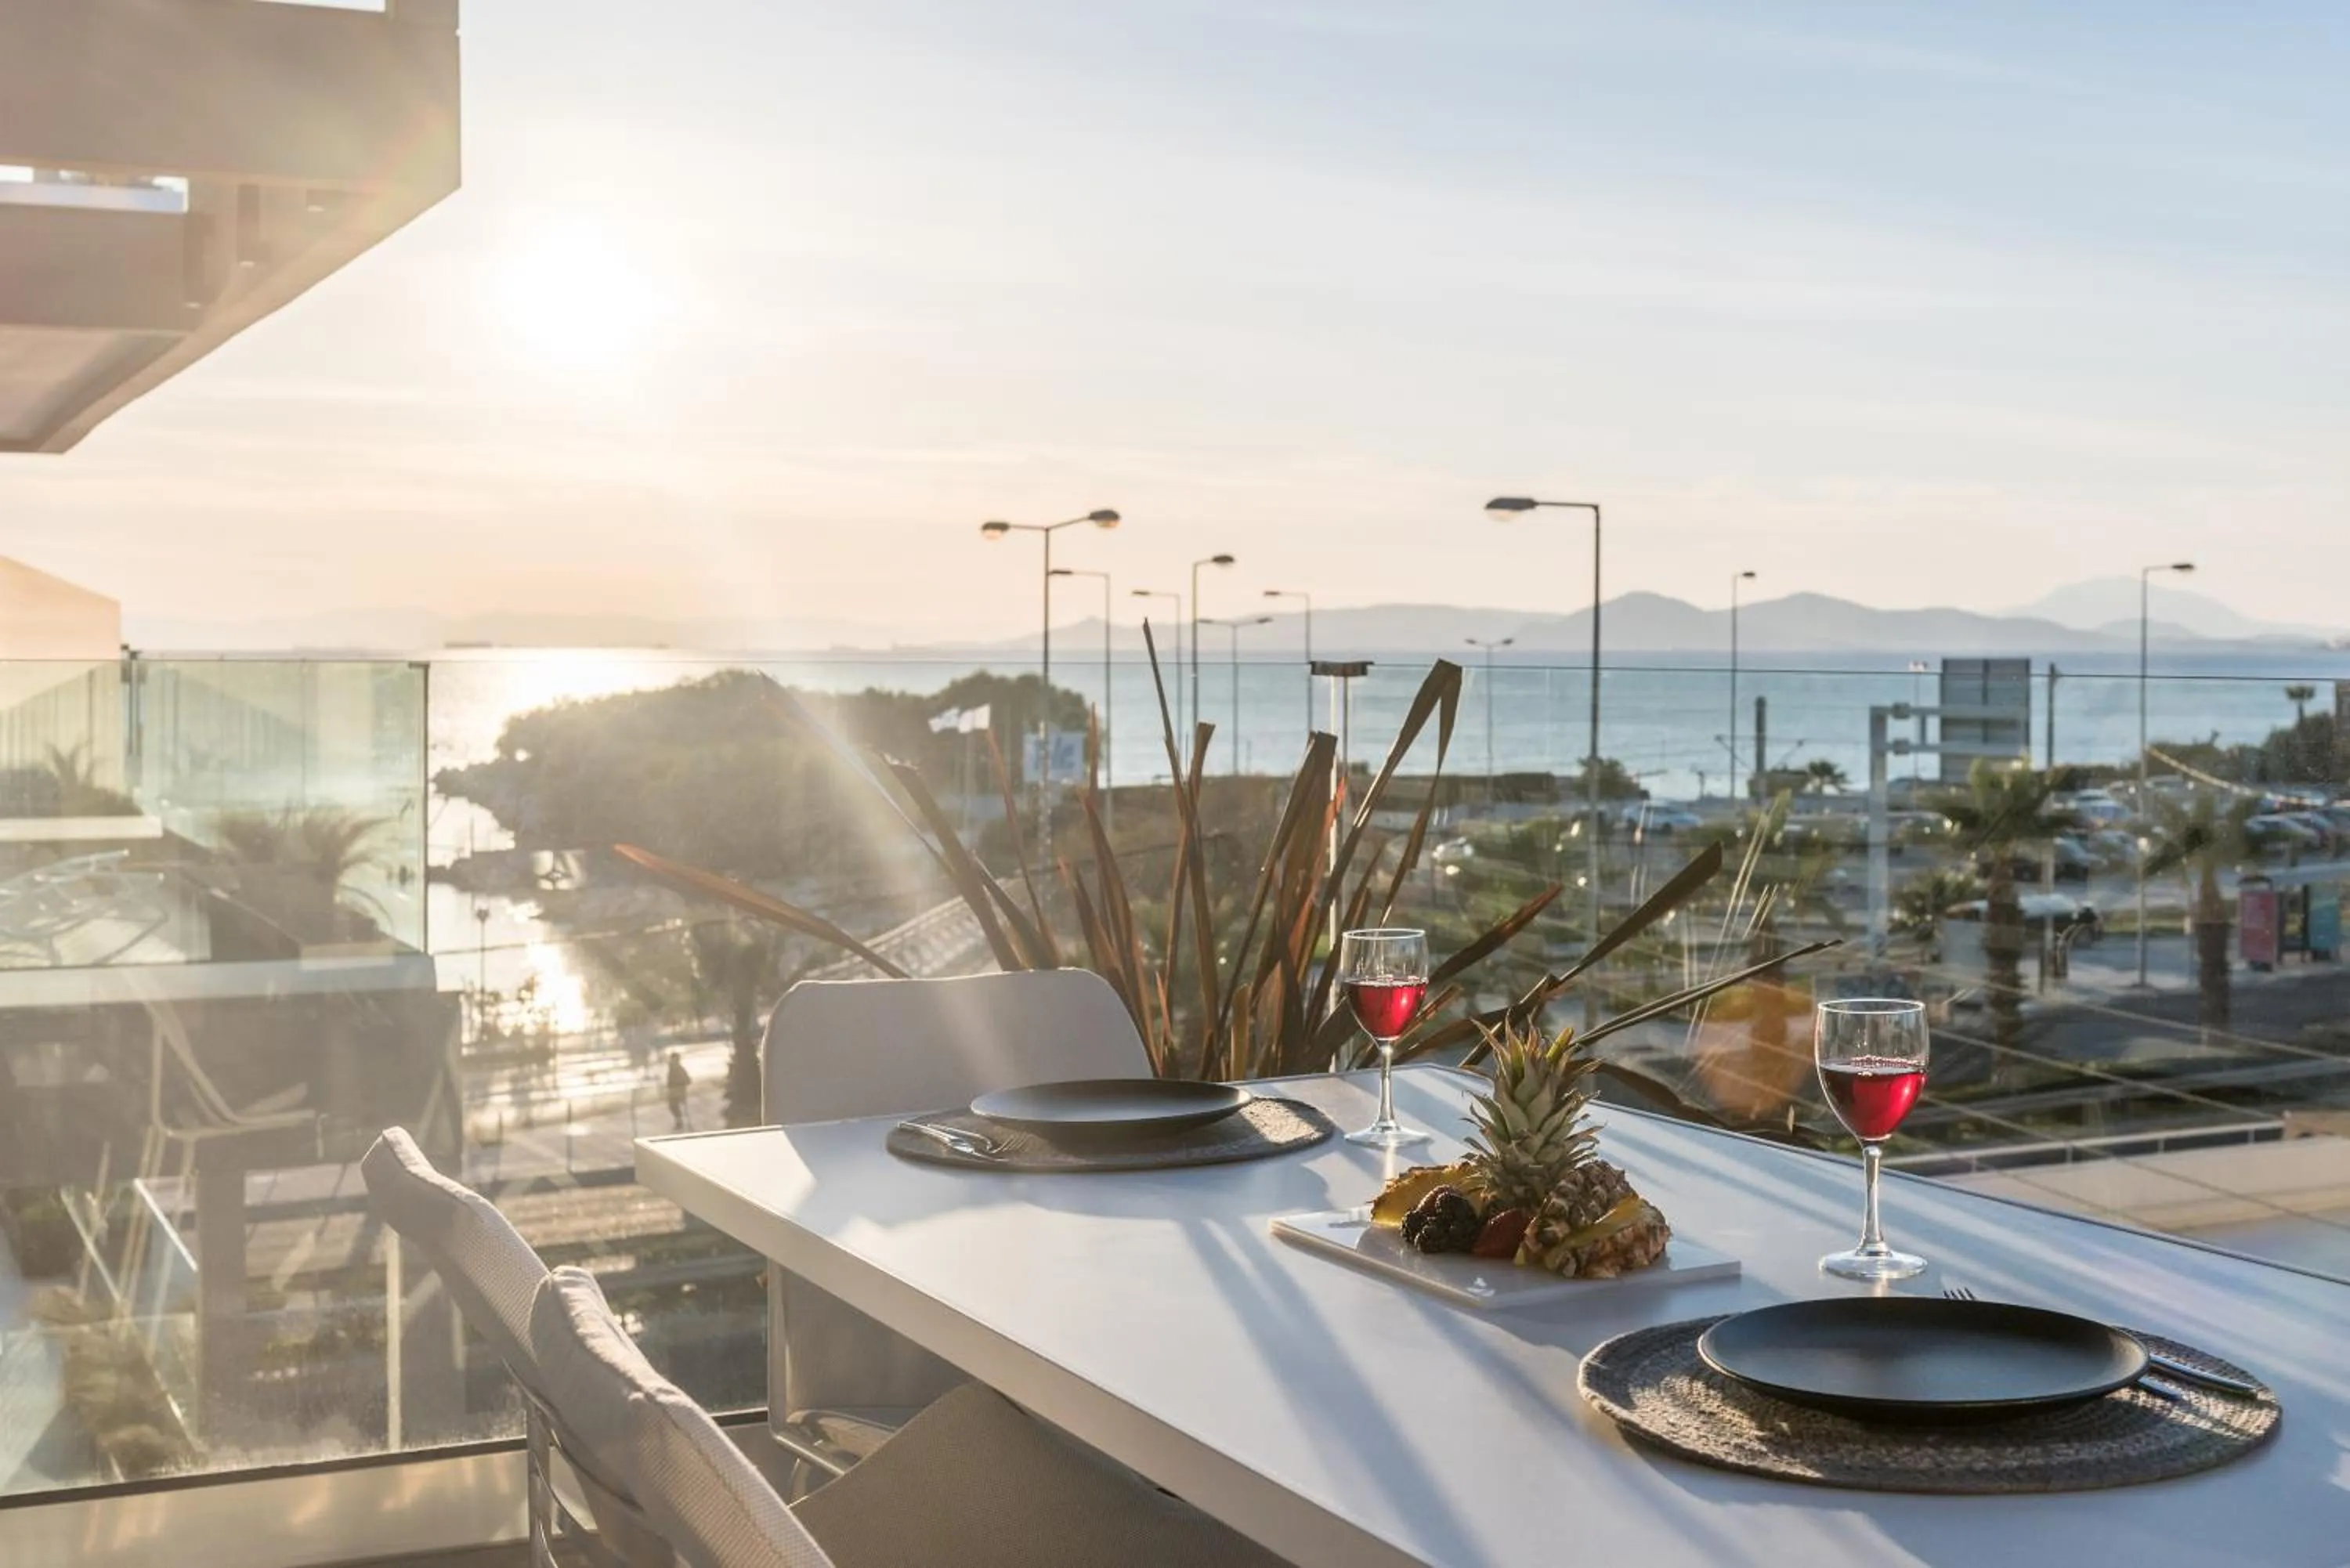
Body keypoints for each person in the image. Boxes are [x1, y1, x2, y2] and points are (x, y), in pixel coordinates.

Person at [665, 1050, 691, 1131]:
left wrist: (679, 1084)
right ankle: (679, 1122)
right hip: (673, 1092)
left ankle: (680, 1123)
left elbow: (688, 1080)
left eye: (675, 1059)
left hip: (679, 1091)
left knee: (675, 1107)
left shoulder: (679, 1069)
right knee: (673, 1107)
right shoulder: (671, 1069)